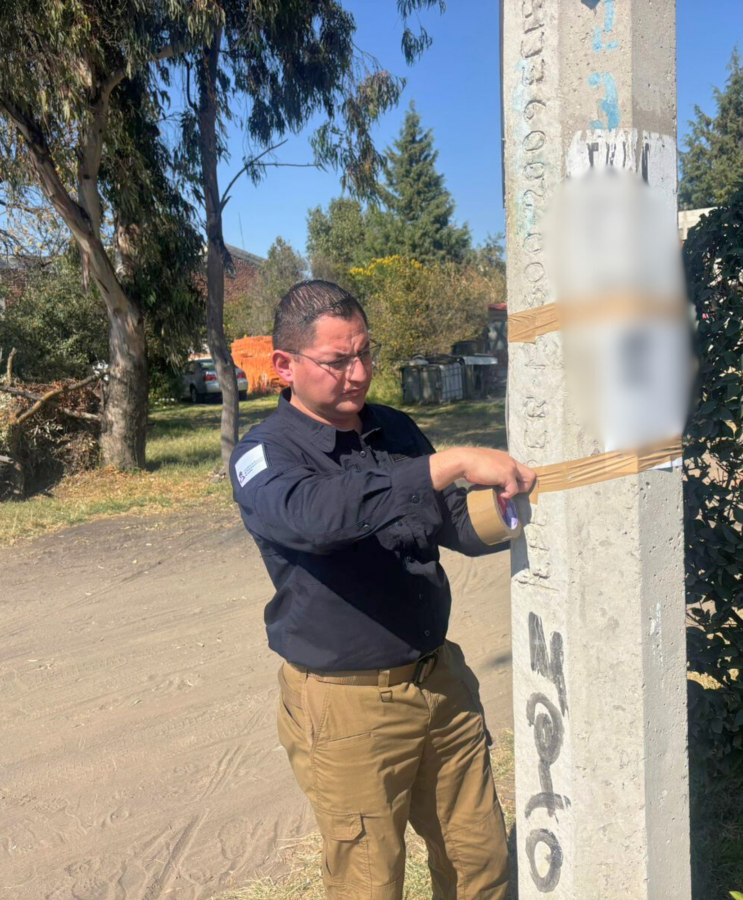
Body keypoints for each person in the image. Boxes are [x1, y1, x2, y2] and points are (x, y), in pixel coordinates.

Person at [229, 280, 535, 900]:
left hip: (439, 682)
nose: (359, 373)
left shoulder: (394, 429)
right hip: (347, 709)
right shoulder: (264, 456)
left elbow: (451, 522)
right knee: (369, 882)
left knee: (480, 861)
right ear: (286, 366)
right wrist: (443, 464)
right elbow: (319, 519)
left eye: (365, 354)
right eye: (338, 361)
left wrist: (514, 511)